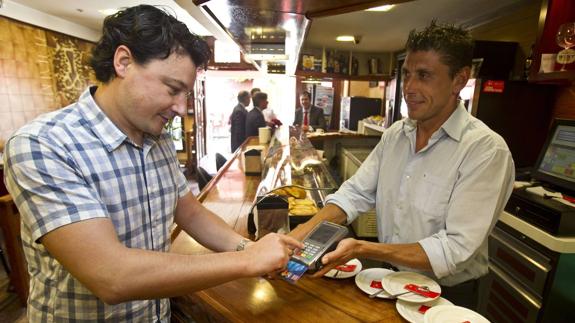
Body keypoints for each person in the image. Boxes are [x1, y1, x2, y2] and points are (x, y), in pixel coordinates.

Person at [3, 5, 302, 321]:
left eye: (186, 94)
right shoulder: (43, 145)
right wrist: (247, 262)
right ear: (123, 62)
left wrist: (246, 247)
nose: (181, 108)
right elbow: (111, 276)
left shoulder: (156, 138)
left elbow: (189, 211)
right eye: (173, 89)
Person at [290, 21, 515, 310]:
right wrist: (299, 235)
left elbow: (454, 249)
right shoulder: (397, 133)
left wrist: (362, 248)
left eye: (424, 76)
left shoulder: (485, 150)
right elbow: (355, 193)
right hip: (388, 279)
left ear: (459, 80)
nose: (409, 87)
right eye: (407, 74)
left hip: (445, 296)